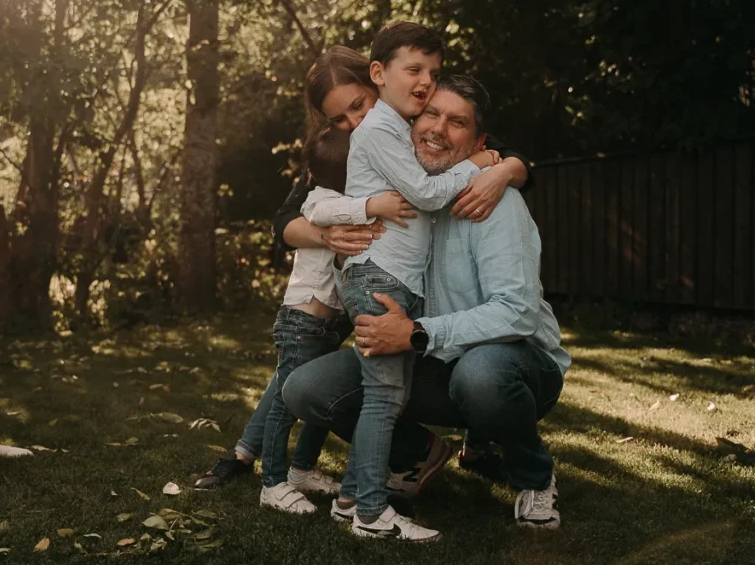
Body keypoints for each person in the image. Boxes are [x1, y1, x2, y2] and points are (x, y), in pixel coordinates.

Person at [193, 44, 532, 492]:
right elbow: (285, 220)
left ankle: (440, 455)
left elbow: (505, 155)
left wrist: (504, 169)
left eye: (357, 106)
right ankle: (248, 456)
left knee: (406, 372)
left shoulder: (420, 121)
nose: (352, 123)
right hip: (351, 282)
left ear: (378, 82)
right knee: (308, 376)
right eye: (339, 119)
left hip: (407, 286)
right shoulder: (337, 153)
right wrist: (328, 235)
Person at [283, 74, 571, 531]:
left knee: (481, 376)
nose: (438, 128)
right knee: (306, 388)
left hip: (517, 362)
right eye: (430, 115)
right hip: (430, 359)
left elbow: (517, 312)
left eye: (456, 122)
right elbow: (303, 211)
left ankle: (533, 475)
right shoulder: (398, 197)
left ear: (478, 141)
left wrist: (417, 332)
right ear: (409, 123)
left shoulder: (494, 201)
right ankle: (417, 455)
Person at [331, 22, 499, 542]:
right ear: (379, 74)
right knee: (384, 396)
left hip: (390, 276)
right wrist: (474, 164)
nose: (426, 81)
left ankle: (350, 497)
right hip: (378, 274)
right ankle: (372, 514)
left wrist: (505, 164)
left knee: (386, 393)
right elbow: (427, 194)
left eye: (433, 71)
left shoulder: (398, 127)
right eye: (414, 70)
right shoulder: (377, 130)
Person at [257, 125, 416, 514]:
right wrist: (375, 206)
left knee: (317, 404)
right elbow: (332, 212)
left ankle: (301, 470)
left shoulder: (342, 197)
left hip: (327, 324)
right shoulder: (319, 200)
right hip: (302, 321)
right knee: (284, 402)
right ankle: (272, 483)